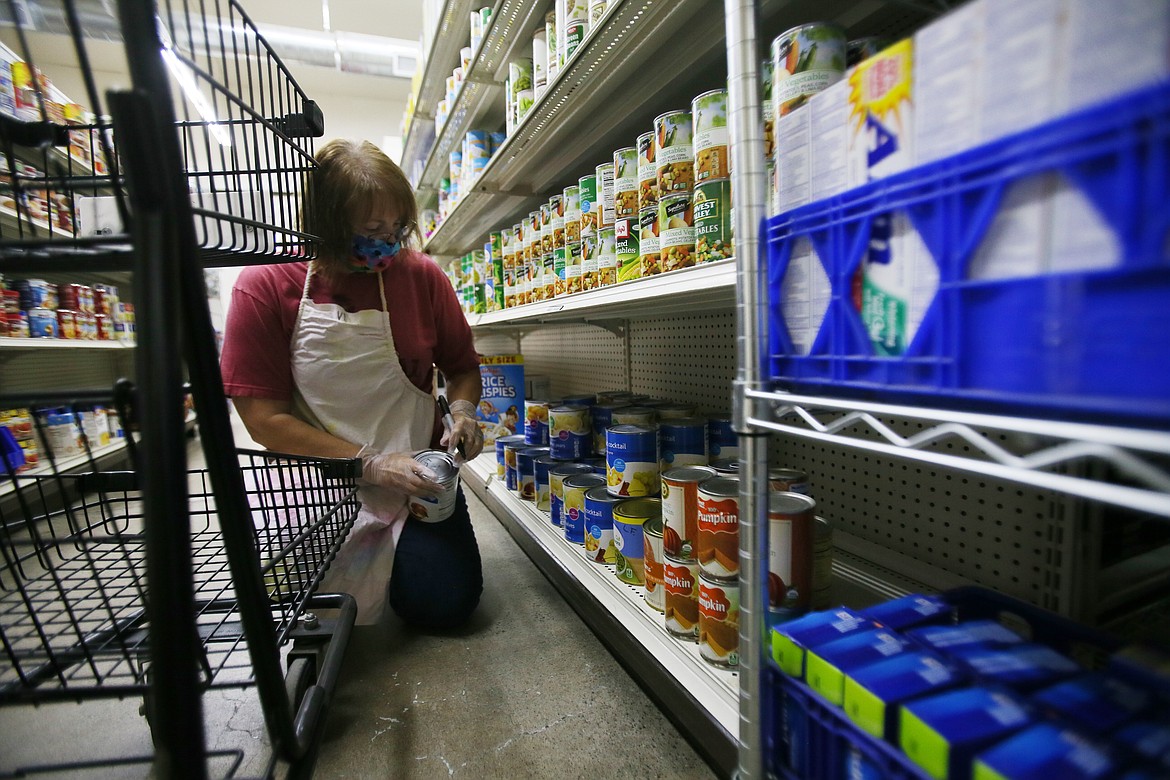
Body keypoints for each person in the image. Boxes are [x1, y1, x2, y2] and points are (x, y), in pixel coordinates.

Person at [220, 138, 485, 629]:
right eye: (371, 230)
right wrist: (369, 463)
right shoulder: (264, 285)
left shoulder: (422, 277)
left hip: (416, 477)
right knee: (294, 602)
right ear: (324, 224)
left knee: (445, 603)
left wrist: (464, 412)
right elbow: (263, 420)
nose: (388, 242)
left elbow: (462, 367)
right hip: (309, 480)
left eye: (397, 228)